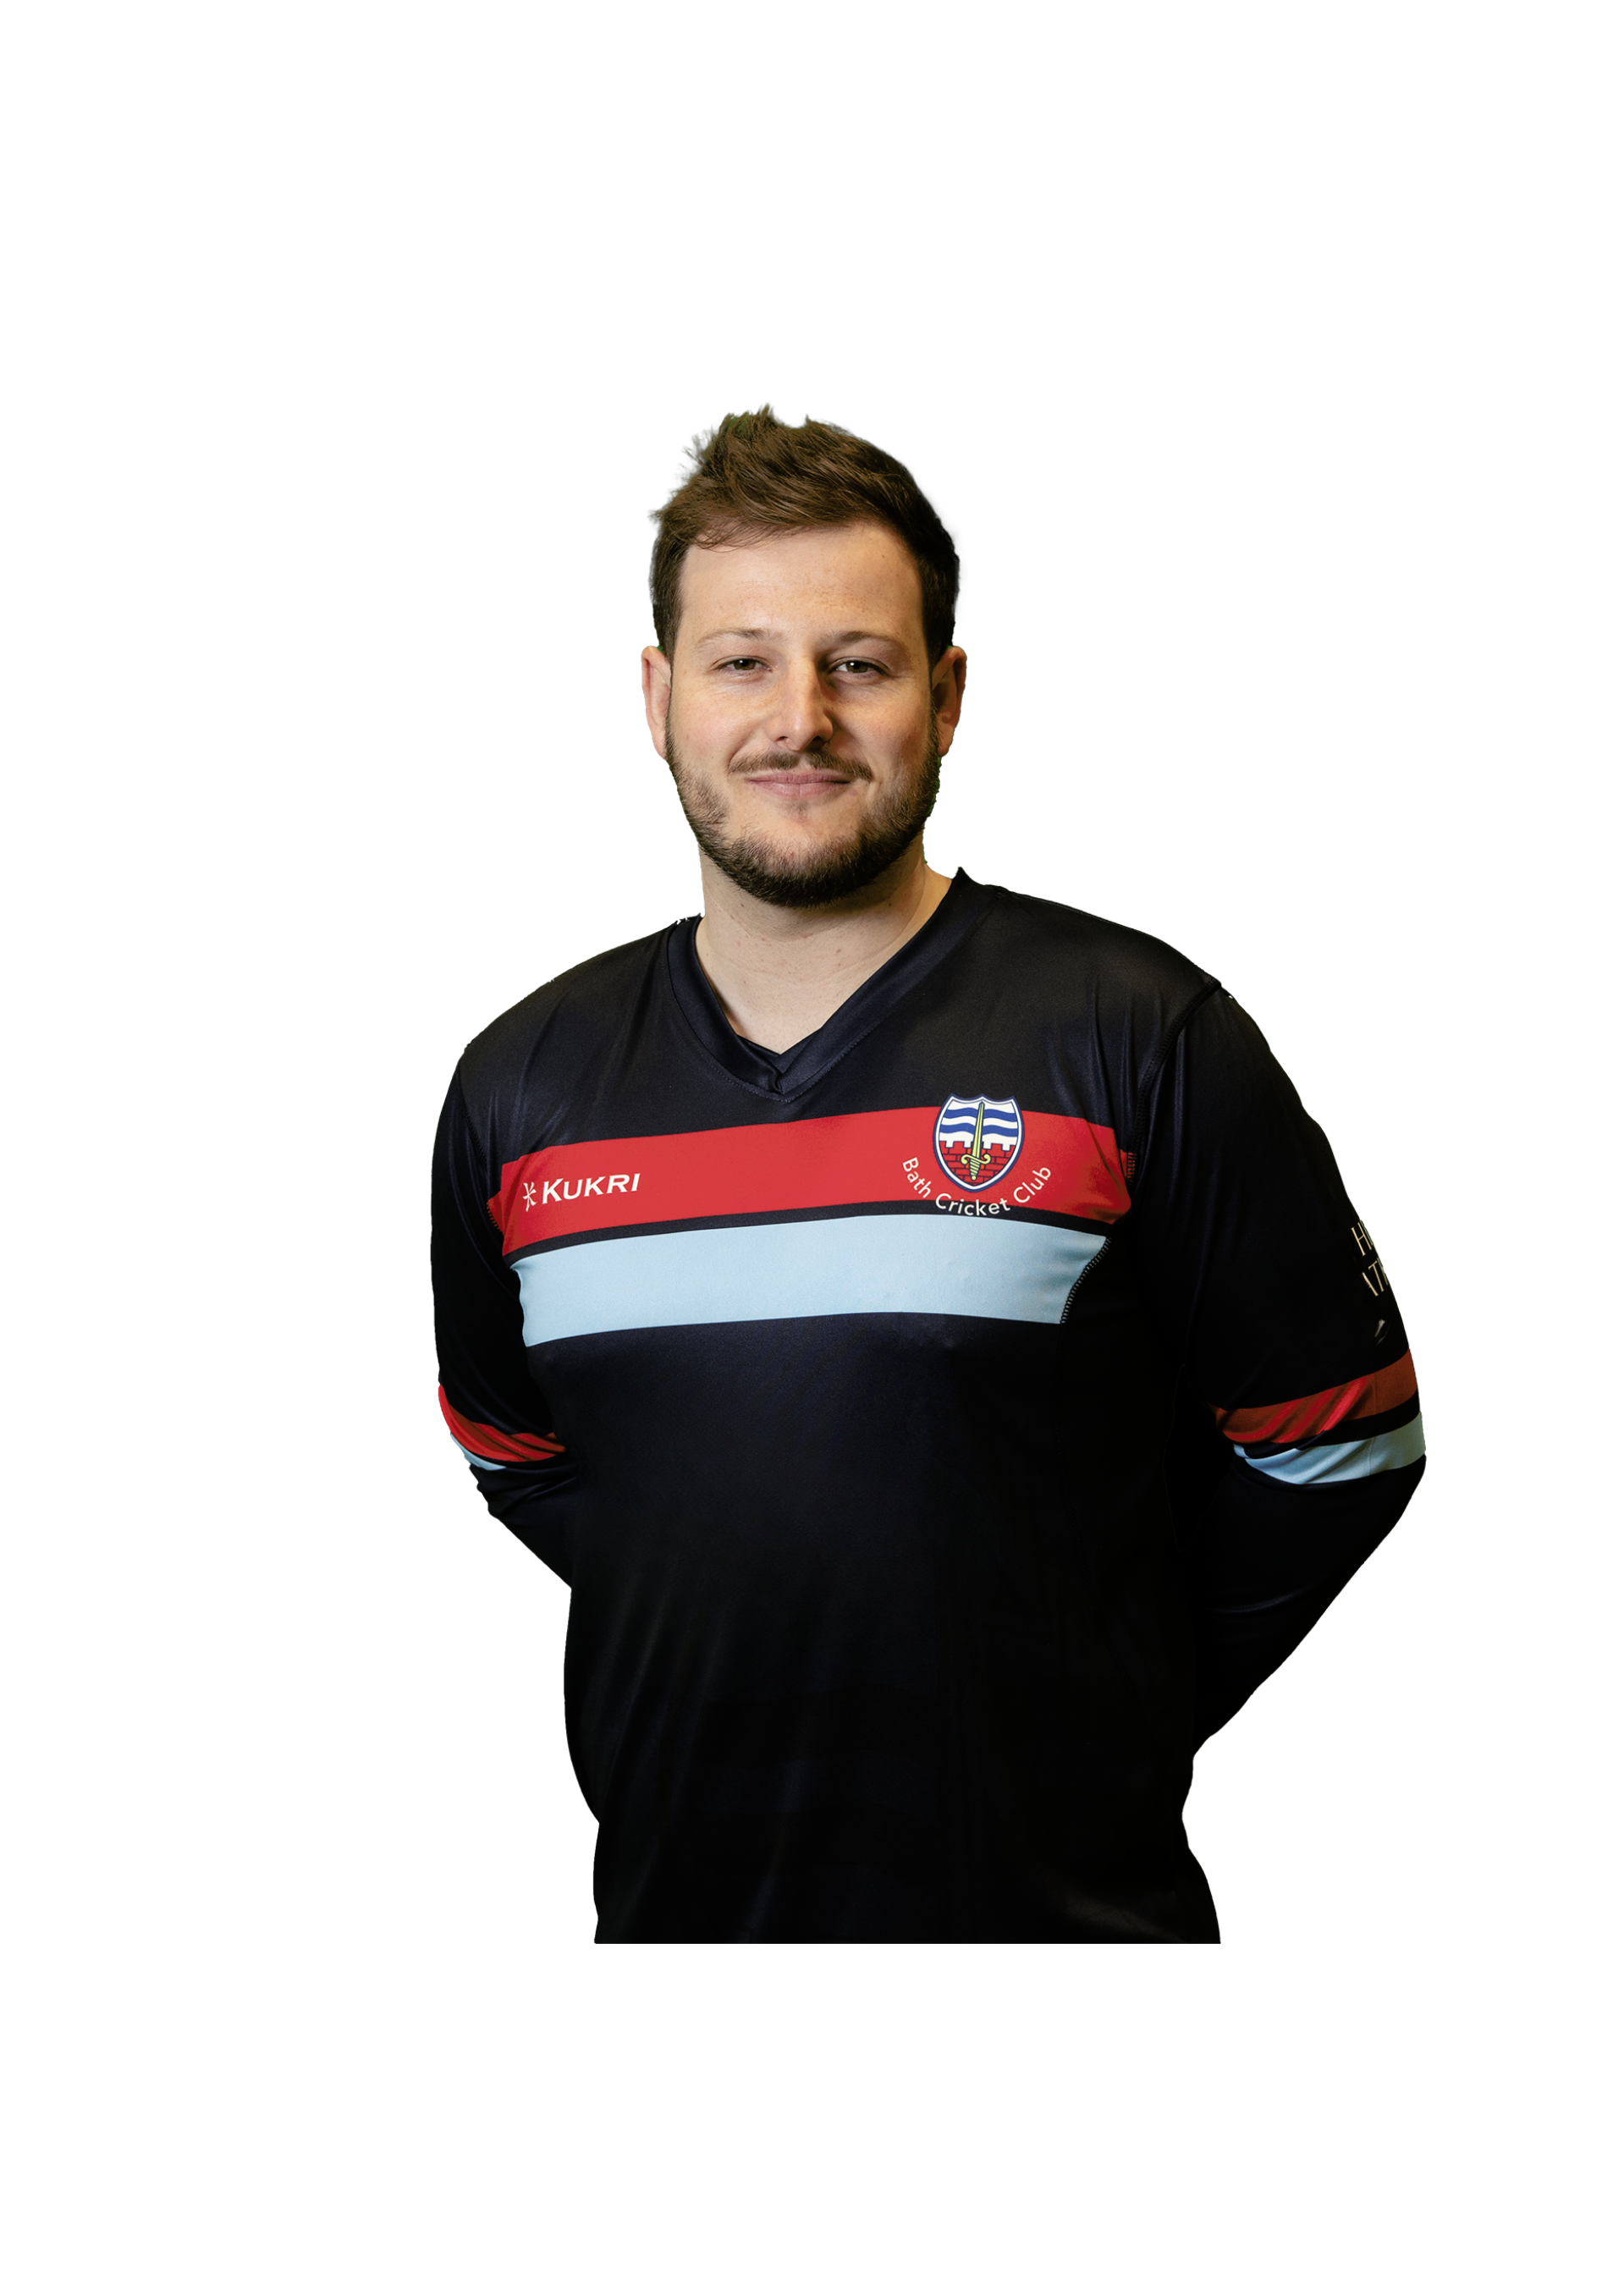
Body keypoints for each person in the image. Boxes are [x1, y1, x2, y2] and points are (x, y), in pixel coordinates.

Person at [429, 407, 1428, 1947]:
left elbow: (1343, 1446)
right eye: (741, 661)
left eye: (859, 663)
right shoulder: (518, 1088)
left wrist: (1108, 1698)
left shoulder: (1138, 1029)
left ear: (947, 700)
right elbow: (514, 1458)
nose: (799, 720)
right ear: (658, 702)